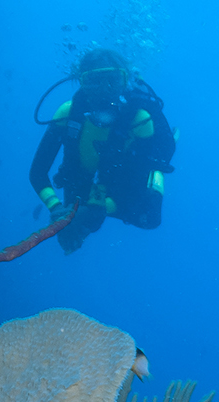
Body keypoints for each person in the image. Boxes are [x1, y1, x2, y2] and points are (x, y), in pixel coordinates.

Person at [30, 49, 176, 254]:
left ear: (124, 82)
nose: (104, 89)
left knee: (149, 218)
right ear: (81, 82)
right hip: (82, 175)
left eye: (113, 80)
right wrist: (55, 208)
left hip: (123, 178)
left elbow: (133, 187)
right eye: (93, 81)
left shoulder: (139, 120)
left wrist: (100, 208)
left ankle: (156, 176)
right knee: (73, 230)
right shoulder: (67, 114)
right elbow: (37, 172)